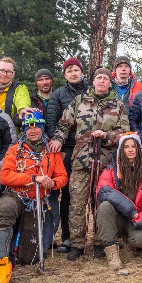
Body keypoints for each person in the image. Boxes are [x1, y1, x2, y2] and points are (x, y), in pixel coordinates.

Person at [52, 68, 130, 260]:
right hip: (81, 160)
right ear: (93, 81)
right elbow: (64, 123)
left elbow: (125, 132)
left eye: (105, 78)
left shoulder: (118, 104)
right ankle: (77, 244)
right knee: (77, 203)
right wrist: (58, 139)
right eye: (98, 78)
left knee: (101, 204)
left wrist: (108, 136)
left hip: (105, 163)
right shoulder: (80, 100)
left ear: (109, 82)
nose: (101, 81)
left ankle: (100, 243)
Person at [0, 112, 68, 283]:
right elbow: (5, 176)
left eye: (36, 126)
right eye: (29, 127)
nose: (33, 130)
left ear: (41, 128)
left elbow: (62, 177)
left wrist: (52, 183)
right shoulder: (15, 150)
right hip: (17, 194)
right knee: (5, 210)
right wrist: (33, 179)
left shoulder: (51, 151)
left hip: (40, 200)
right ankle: (3, 263)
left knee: (28, 258)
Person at [95, 133, 142, 269]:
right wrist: (129, 210)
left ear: (138, 149)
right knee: (105, 206)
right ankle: (111, 251)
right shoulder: (111, 169)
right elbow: (104, 190)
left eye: (133, 146)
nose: (130, 150)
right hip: (117, 217)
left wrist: (138, 219)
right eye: (126, 147)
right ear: (121, 150)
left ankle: (129, 244)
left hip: (135, 219)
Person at [46, 57, 88, 253]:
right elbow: (52, 120)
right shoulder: (58, 95)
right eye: (69, 70)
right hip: (66, 149)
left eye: (76, 70)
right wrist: (58, 145)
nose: (73, 73)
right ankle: (68, 237)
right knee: (69, 195)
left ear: (82, 72)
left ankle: (90, 236)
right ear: (64, 74)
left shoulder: (90, 91)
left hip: (88, 148)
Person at [0, 57, 32, 128]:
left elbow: (22, 100)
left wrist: (22, 109)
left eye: (9, 72)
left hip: (9, 134)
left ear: (13, 74)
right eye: (1, 70)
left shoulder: (19, 88)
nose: (5, 74)